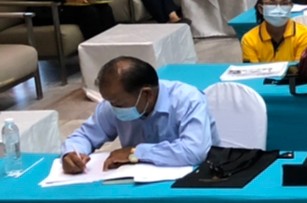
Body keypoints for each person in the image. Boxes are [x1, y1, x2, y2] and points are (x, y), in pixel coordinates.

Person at [61, 56, 216, 171]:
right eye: (110, 102)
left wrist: (135, 152)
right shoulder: (114, 103)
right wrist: (72, 154)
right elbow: (85, 136)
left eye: (118, 104)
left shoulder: (188, 100)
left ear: (147, 94)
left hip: (197, 177)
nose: (113, 108)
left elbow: (194, 151)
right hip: (137, 180)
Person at [240, 0, 307, 63]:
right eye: (272, 3)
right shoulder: (249, 39)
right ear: (261, 9)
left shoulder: (304, 35)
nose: (278, 9)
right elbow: (252, 69)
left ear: (291, 7)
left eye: (284, 3)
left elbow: (301, 68)